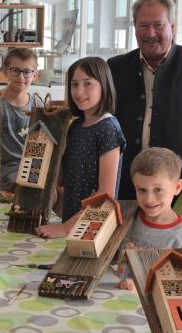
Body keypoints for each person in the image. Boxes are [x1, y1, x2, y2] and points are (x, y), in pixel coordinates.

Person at [107, 0, 182, 200]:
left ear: (173, 26)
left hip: (179, 189)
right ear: (135, 28)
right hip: (125, 187)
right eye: (143, 26)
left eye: (158, 25)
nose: (150, 33)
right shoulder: (115, 67)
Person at [36, 57, 125, 238]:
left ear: (104, 85)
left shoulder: (108, 128)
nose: (79, 91)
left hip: (92, 228)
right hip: (70, 220)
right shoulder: (76, 125)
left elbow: (105, 194)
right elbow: (61, 180)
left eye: (87, 84)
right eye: (74, 84)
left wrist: (67, 228)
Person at [116, 147, 182, 290]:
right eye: (142, 190)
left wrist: (142, 288)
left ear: (177, 187)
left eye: (158, 190)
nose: (149, 199)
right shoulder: (128, 217)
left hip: (151, 309)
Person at [0, 47, 40, 192]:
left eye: (27, 72)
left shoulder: (38, 106)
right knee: (30, 190)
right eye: (15, 71)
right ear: (5, 72)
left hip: (33, 167)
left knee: (51, 191)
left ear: (34, 75)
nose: (21, 77)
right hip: (4, 169)